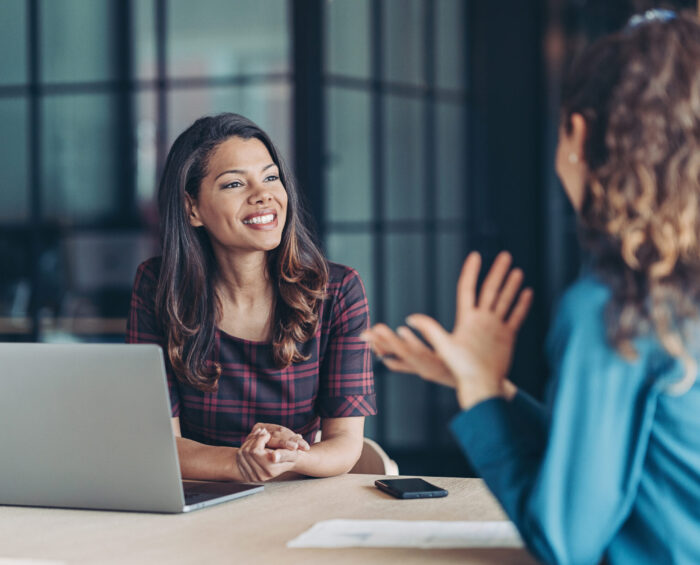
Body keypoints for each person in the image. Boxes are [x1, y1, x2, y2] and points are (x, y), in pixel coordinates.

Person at [362, 11, 700, 565]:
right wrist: (489, 389)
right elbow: (609, 459)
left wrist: (483, 393)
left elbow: (566, 542)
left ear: (579, 134)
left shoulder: (617, 306)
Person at [127, 113, 376, 483]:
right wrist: (240, 463)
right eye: (234, 184)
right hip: (199, 500)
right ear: (192, 208)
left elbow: (345, 442)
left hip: (296, 494)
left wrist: (288, 456)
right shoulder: (157, 287)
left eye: (271, 177)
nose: (263, 195)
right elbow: (159, 442)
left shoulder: (337, 290)